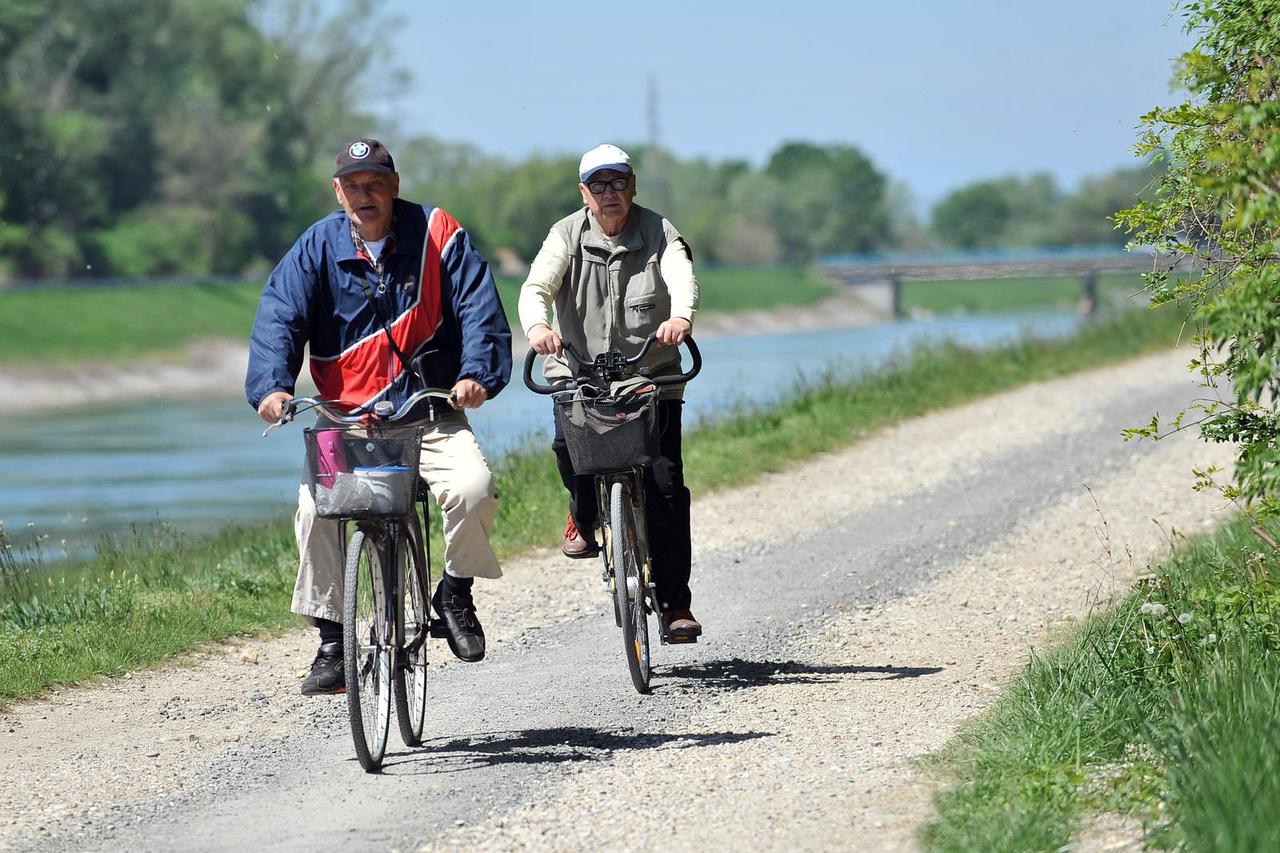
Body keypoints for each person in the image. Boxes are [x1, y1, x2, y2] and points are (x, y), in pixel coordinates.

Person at [246, 138, 512, 695]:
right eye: (353, 186)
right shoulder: (315, 247)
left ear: (394, 186)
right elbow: (279, 317)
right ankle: (331, 640)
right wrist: (272, 386)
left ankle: (455, 591)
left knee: (475, 487)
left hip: (430, 411)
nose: (364, 196)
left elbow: (479, 308)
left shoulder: (438, 234)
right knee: (312, 512)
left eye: (375, 184)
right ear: (337, 192)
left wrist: (477, 375)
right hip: (346, 420)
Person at [518, 143, 703, 640]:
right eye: (597, 185)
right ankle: (583, 517)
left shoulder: (659, 231)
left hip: (651, 377)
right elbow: (536, 287)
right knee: (567, 449)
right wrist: (537, 327)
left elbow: (682, 275)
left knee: (665, 486)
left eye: (617, 182)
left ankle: (673, 605)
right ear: (584, 193)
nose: (609, 194)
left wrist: (681, 317)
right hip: (578, 372)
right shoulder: (564, 235)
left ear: (633, 185)